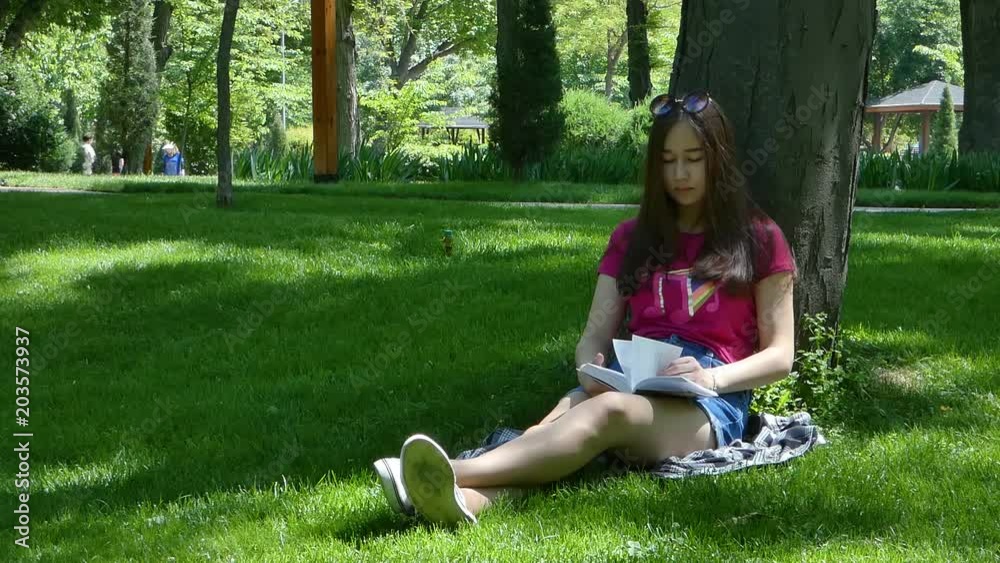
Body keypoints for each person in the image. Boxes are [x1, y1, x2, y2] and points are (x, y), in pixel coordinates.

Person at [373, 91, 798, 527]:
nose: (681, 173)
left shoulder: (759, 238)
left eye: (694, 158)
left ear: (719, 159)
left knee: (605, 413)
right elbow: (595, 336)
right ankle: (463, 501)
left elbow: (780, 356)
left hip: (707, 404)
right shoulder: (632, 238)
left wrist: (709, 377)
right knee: (548, 431)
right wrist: (588, 370)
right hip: (630, 380)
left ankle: (442, 473)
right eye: (668, 161)